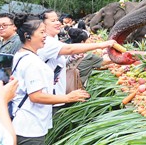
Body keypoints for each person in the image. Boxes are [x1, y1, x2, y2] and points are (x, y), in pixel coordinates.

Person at [11, 14, 90, 144]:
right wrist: (68, 97)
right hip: (29, 127)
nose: (45, 37)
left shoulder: (22, 55)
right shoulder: (32, 62)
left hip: (24, 122)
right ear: (27, 36)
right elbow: (36, 96)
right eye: (42, 32)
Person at [37, 10, 116, 114]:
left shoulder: (53, 39)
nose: (58, 23)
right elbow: (69, 49)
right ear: (42, 24)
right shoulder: (47, 41)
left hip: (56, 95)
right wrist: (101, 45)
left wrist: (69, 59)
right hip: (49, 97)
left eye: (57, 20)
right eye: (53, 20)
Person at [0, 17, 19, 145]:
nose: (0, 28)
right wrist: (1, 100)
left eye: (4, 25)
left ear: (14, 26)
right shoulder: (2, 42)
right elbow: (7, 141)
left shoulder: (17, 42)